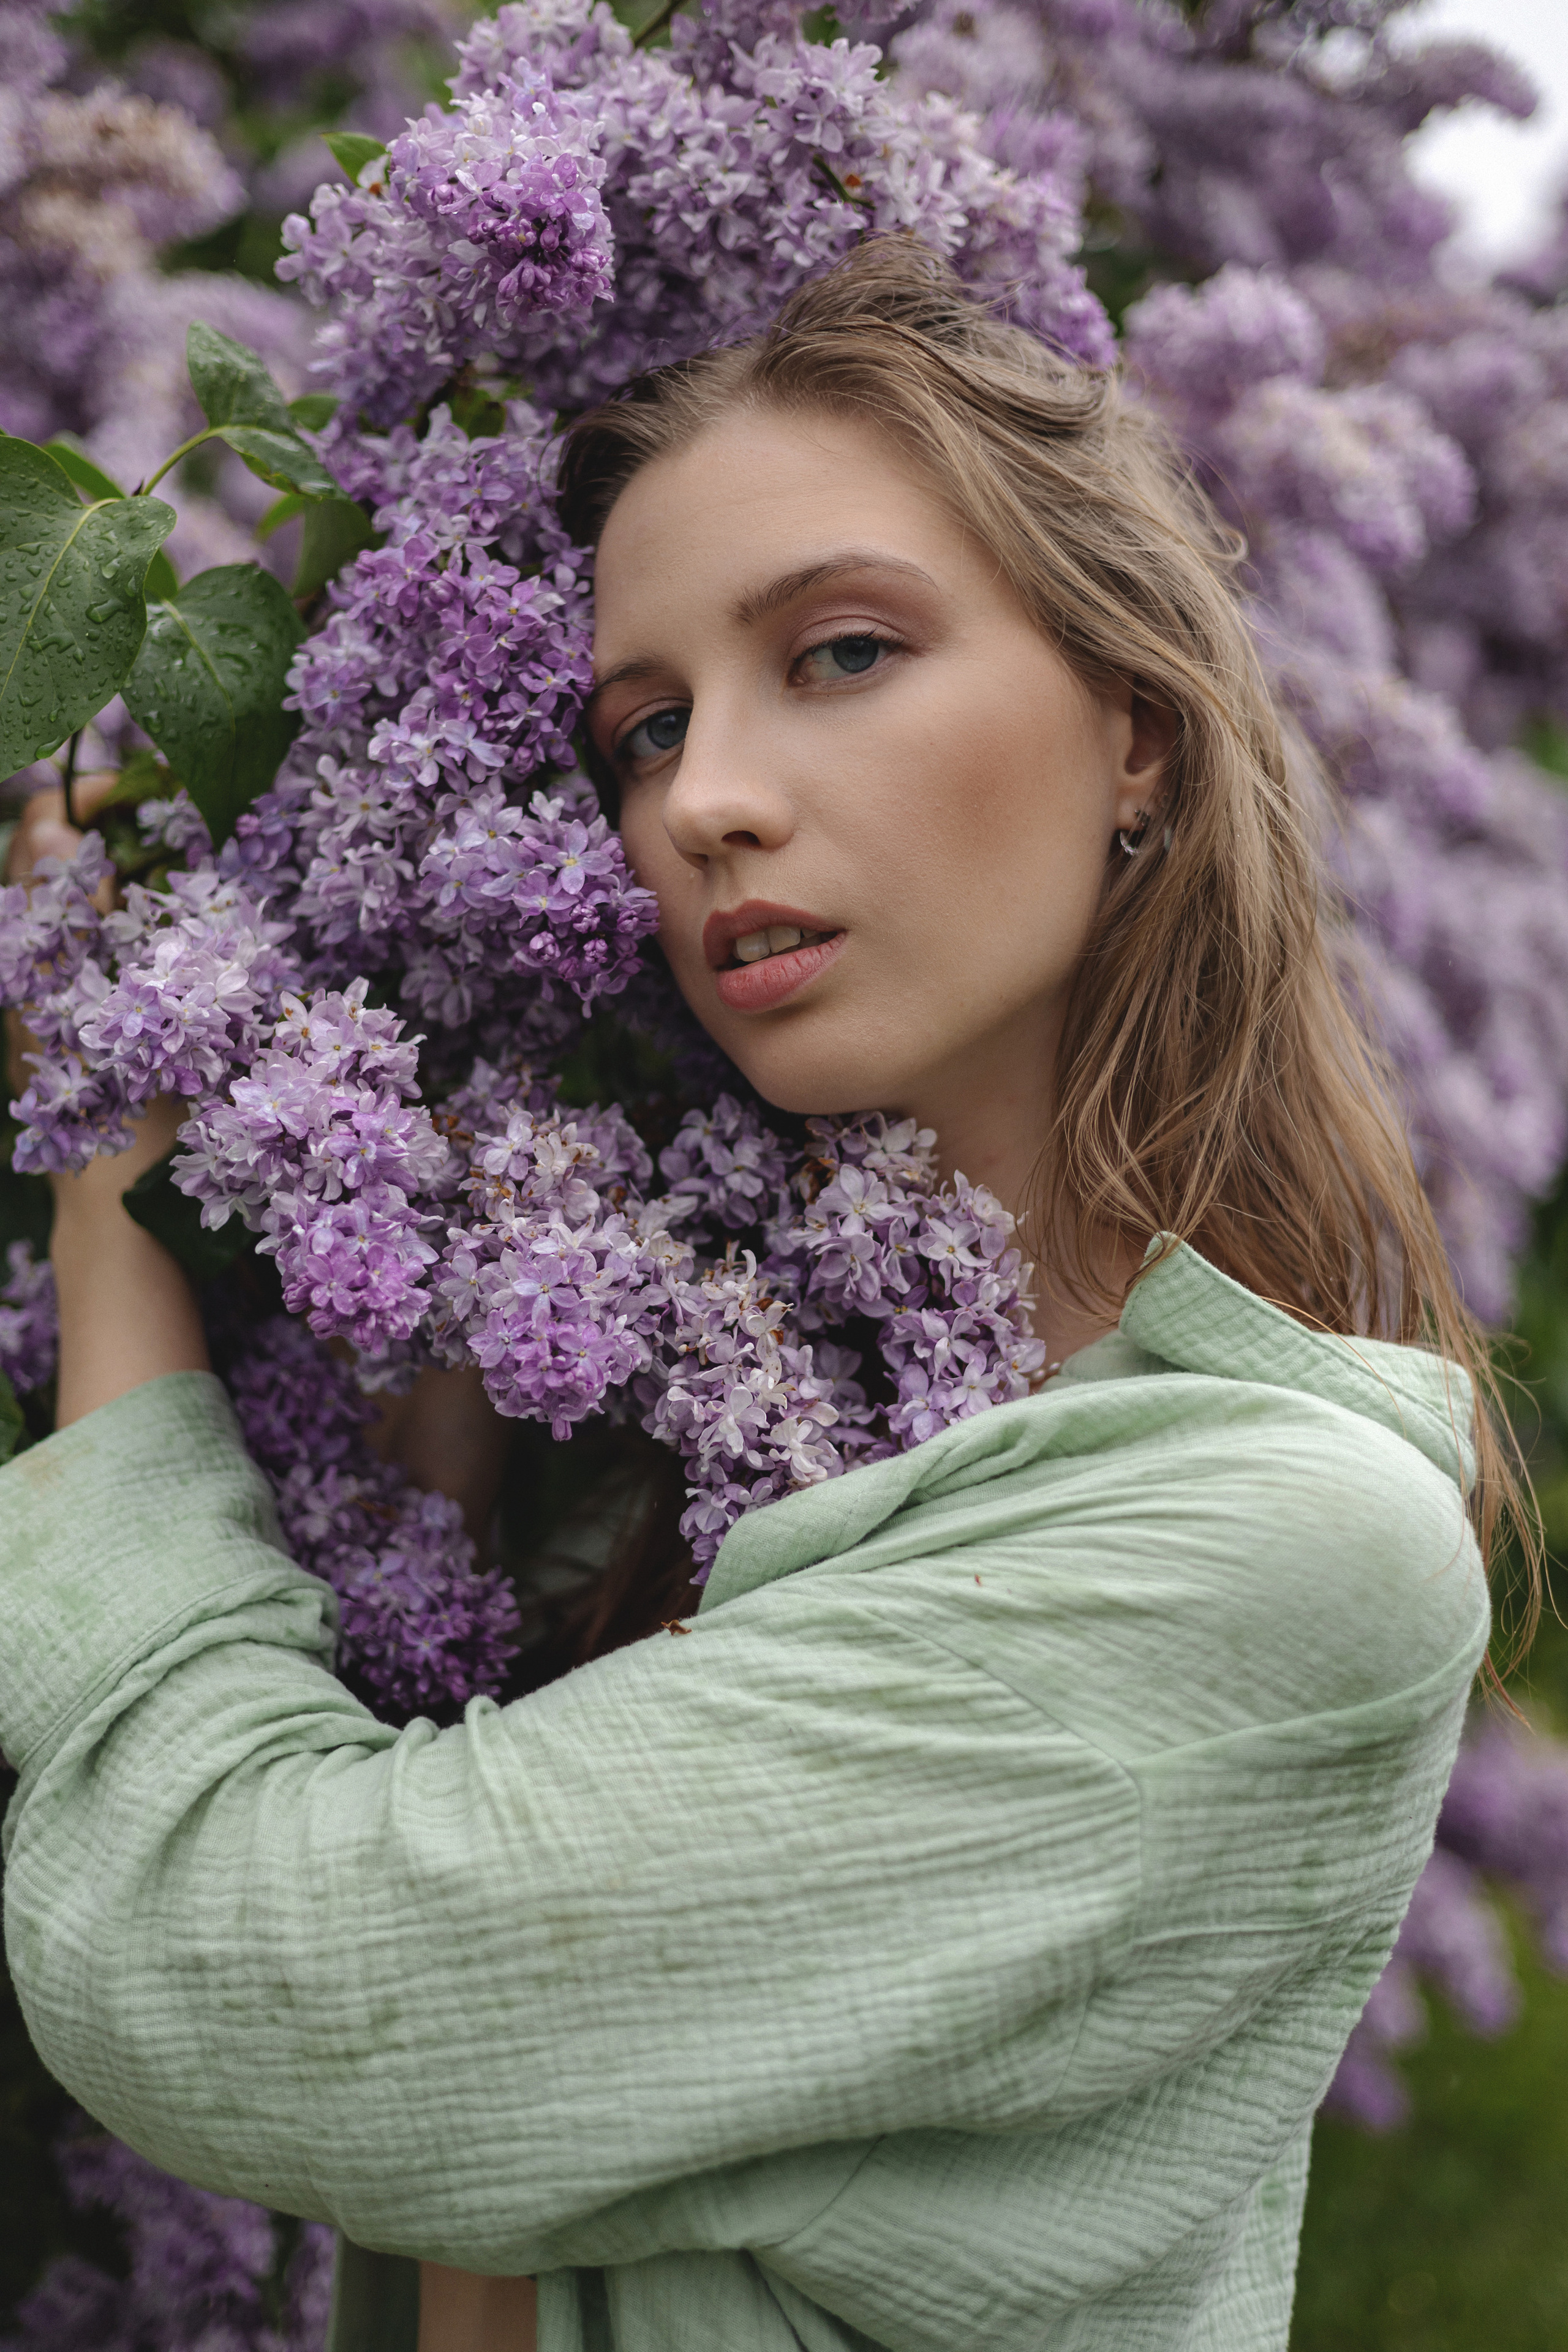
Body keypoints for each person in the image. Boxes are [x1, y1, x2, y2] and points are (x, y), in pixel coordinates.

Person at [0, 241, 1526, 2352]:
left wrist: (117, 1247)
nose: (700, 798)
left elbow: (248, 1971)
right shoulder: (667, 1431)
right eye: (642, 730)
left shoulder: (1277, 1548)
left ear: (1141, 737)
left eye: (840, 652)